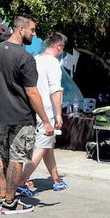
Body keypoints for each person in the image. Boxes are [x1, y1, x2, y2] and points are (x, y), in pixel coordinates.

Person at [0, 15, 54, 213]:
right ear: (21, 30)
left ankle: (1, 197)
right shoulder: (25, 58)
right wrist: (46, 121)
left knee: (3, 156)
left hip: (3, 116)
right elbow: (32, 92)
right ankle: (10, 202)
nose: (34, 34)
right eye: (32, 30)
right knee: (16, 158)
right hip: (22, 116)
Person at [16, 32, 68, 195]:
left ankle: (56, 180)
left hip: (33, 109)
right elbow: (55, 90)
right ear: (59, 46)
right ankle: (21, 182)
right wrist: (58, 114)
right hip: (46, 111)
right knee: (41, 147)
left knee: (47, 146)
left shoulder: (35, 59)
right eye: (62, 48)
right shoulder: (53, 63)